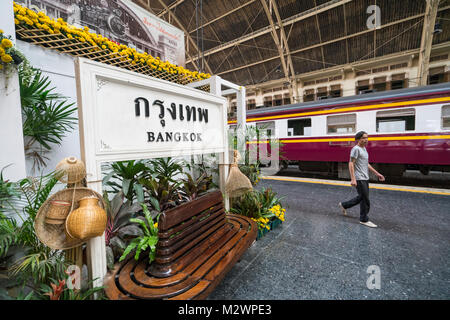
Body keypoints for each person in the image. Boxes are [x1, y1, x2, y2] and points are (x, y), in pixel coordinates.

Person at [339, 131, 385, 228]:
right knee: (365, 199)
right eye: (364, 138)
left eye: (367, 137)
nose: (366, 140)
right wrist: (353, 179)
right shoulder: (356, 149)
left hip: (365, 177)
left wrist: (377, 173)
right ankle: (363, 219)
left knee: (362, 197)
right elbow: (351, 163)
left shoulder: (364, 149)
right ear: (358, 139)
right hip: (359, 177)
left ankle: (344, 205)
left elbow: (366, 164)